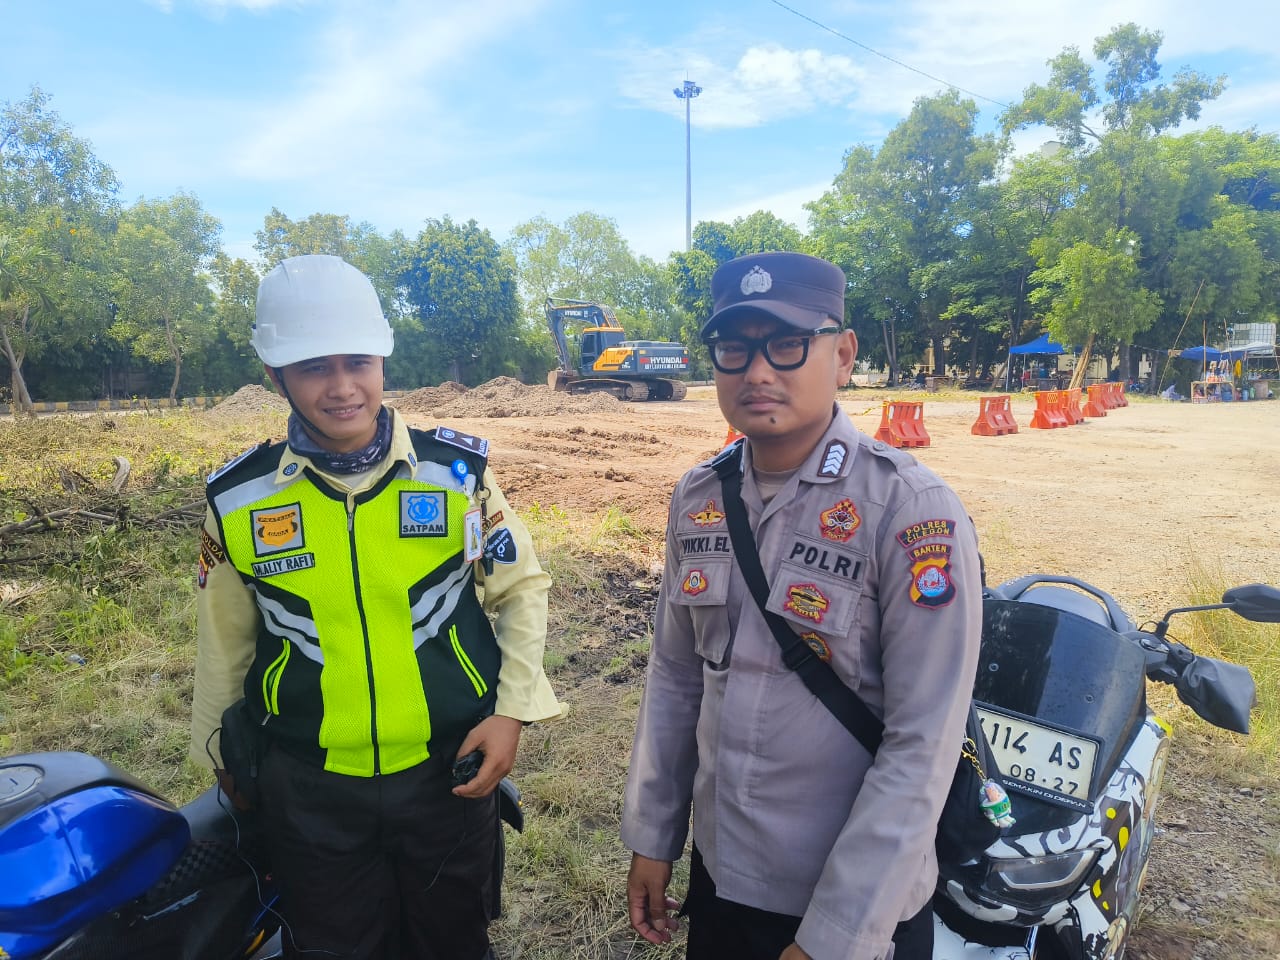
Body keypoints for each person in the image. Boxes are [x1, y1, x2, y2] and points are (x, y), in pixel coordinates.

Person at [190, 254, 563, 960]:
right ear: (275, 375)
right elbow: (224, 643)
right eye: (313, 368)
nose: (341, 387)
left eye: (357, 362)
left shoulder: (457, 476)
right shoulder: (238, 501)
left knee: (452, 943)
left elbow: (521, 589)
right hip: (307, 787)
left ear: (383, 359)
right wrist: (223, 757)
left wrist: (511, 713)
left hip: (448, 773)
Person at [621, 252, 982, 960]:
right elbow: (675, 678)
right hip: (722, 878)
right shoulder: (699, 497)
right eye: (734, 347)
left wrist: (834, 938)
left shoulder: (908, 511)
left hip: (850, 904)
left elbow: (923, 742)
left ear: (842, 355)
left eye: (787, 344)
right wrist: (653, 836)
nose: (757, 371)